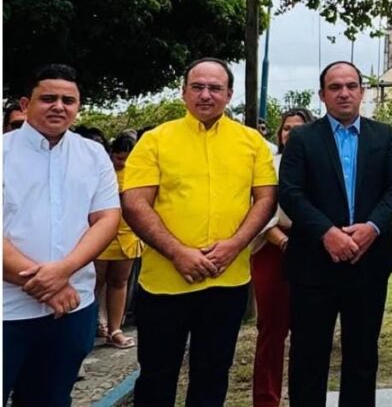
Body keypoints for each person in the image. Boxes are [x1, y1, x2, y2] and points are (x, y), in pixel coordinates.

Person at [121, 57, 277, 407]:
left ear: (230, 94)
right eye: (198, 87)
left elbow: (266, 199)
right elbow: (134, 203)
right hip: (164, 281)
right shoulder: (155, 141)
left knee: (212, 375)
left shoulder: (251, 143)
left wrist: (235, 245)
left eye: (215, 88)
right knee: (157, 376)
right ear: (183, 92)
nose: (206, 95)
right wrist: (178, 252)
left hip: (227, 279)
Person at [279, 61, 392, 406]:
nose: (344, 93)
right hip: (313, 266)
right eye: (335, 87)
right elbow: (290, 192)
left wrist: (372, 228)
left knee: (363, 357)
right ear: (322, 95)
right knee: (308, 358)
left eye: (351, 85)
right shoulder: (303, 138)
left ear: (362, 92)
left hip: (369, 264)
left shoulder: (384, 135)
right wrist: (327, 233)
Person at [3, 64, 121, 406]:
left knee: (52, 399)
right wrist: (45, 283)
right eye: (48, 98)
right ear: (26, 104)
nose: (59, 106)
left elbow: (106, 219)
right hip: (7, 311)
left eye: (68, 100)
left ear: (78, 106)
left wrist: (63, 271)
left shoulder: (93, 154)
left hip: (72, 307)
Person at [251, 107, 315, 407]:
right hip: (271, 249)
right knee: (271, 331)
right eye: (288, 128)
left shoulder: (319, 163)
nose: (292, 134)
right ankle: (266, 399)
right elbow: (260, 210)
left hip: (313, 249)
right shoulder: (268, 164)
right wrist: (282, 241)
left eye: (300, 128)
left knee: (309, 332)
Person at [94, 133, 144, 349]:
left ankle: (115, 329)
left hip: (127, 235)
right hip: (102, 235)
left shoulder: (139, 173)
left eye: (127, 158)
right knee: (95, 283)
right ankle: (95, 325)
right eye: (119, 157)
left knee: (120, 282)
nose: (123, 162)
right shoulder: (103, 173)